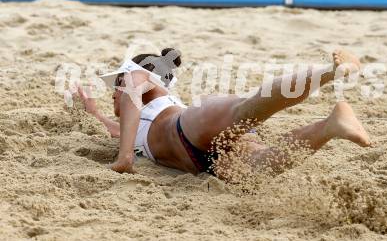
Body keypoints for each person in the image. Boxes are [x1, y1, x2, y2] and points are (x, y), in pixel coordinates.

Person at [75, 48, 370, 179]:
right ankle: (331, 125)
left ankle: (331, 72)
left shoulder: (138, 84)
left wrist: (124, 158)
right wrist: (95, 113)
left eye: (115, 84)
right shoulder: (132, 126)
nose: (114, 91)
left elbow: (131, 93)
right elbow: (119, 128)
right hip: (203, 160)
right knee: (261, 166)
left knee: (250, 108)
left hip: (186, 128)